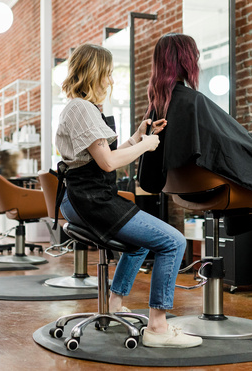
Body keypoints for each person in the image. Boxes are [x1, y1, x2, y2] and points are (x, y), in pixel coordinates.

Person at [139, 33, 252, 273]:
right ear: (187, 60)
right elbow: (231, 144)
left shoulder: (155, 108)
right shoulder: (193, 101)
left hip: (189, 191)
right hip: (215, 188)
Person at [55, 43, 203, 348]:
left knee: (137, 244)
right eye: (108, 73)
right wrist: (147, 146)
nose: (110, 80)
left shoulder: (83, 108)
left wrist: (138, 137)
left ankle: (115, 303)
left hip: (86, 197)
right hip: (91, 200)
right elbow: (108, 163)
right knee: (173, 241)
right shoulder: (81, 108)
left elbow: (102, 156)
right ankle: (158, 328)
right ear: (95, 73)